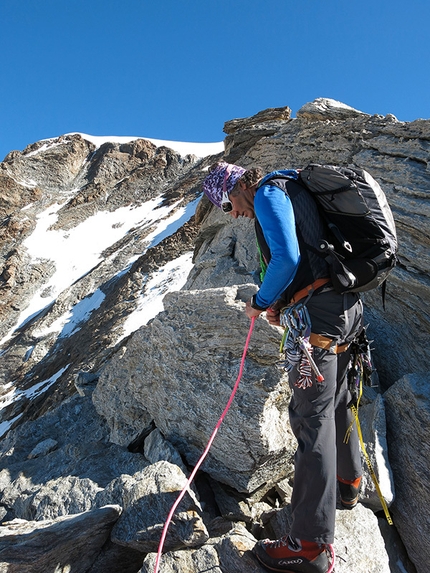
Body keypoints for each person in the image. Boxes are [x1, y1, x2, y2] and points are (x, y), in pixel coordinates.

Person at [202, 162, 364, 573]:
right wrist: (283, 302)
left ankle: (309, 545)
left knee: (311, 419)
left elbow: (288, 257)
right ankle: (348, 484)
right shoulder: (296, 190)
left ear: (238, 184)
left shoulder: (270, 193)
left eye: (227, 203)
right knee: (340, 397)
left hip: (317, 322)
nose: (233, 213)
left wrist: (261, 300)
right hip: (345, 307)